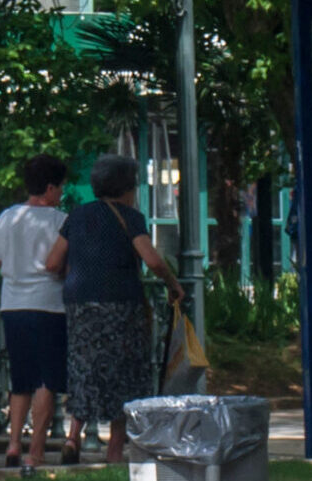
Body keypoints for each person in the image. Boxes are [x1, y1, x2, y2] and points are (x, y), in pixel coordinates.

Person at [50, 156, 185, 465]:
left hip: (80, 303)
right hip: (121, 304)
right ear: (127, 187)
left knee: (85, 367)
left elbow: (54, 261)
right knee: (125, 372)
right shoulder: (131, 217)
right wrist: (172, 283)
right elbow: (151, 259)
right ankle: (114, 452)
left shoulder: (77, 216)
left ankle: (73, 437)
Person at [0, 156, 68, 477]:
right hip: (50, 306)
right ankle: (35, 454)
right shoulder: (60, 222)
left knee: (21, 379)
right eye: (60, 187)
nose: (62, 193)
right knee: (46, 382)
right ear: (50, 187)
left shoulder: (7, 219)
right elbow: (65, 267)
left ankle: (13, 444)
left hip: (13, 307)